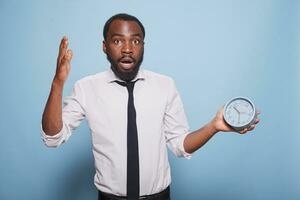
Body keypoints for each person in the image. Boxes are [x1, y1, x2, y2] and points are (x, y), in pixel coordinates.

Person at [41, 13, 260, 200]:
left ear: (143, 46)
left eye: (135, 41)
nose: (127, 49)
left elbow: (180, 144)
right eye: (118, 41)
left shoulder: (165, 85)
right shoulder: (85, 88)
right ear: (104, 46)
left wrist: (214, 126)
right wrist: (57, 83)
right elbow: (53, 137)